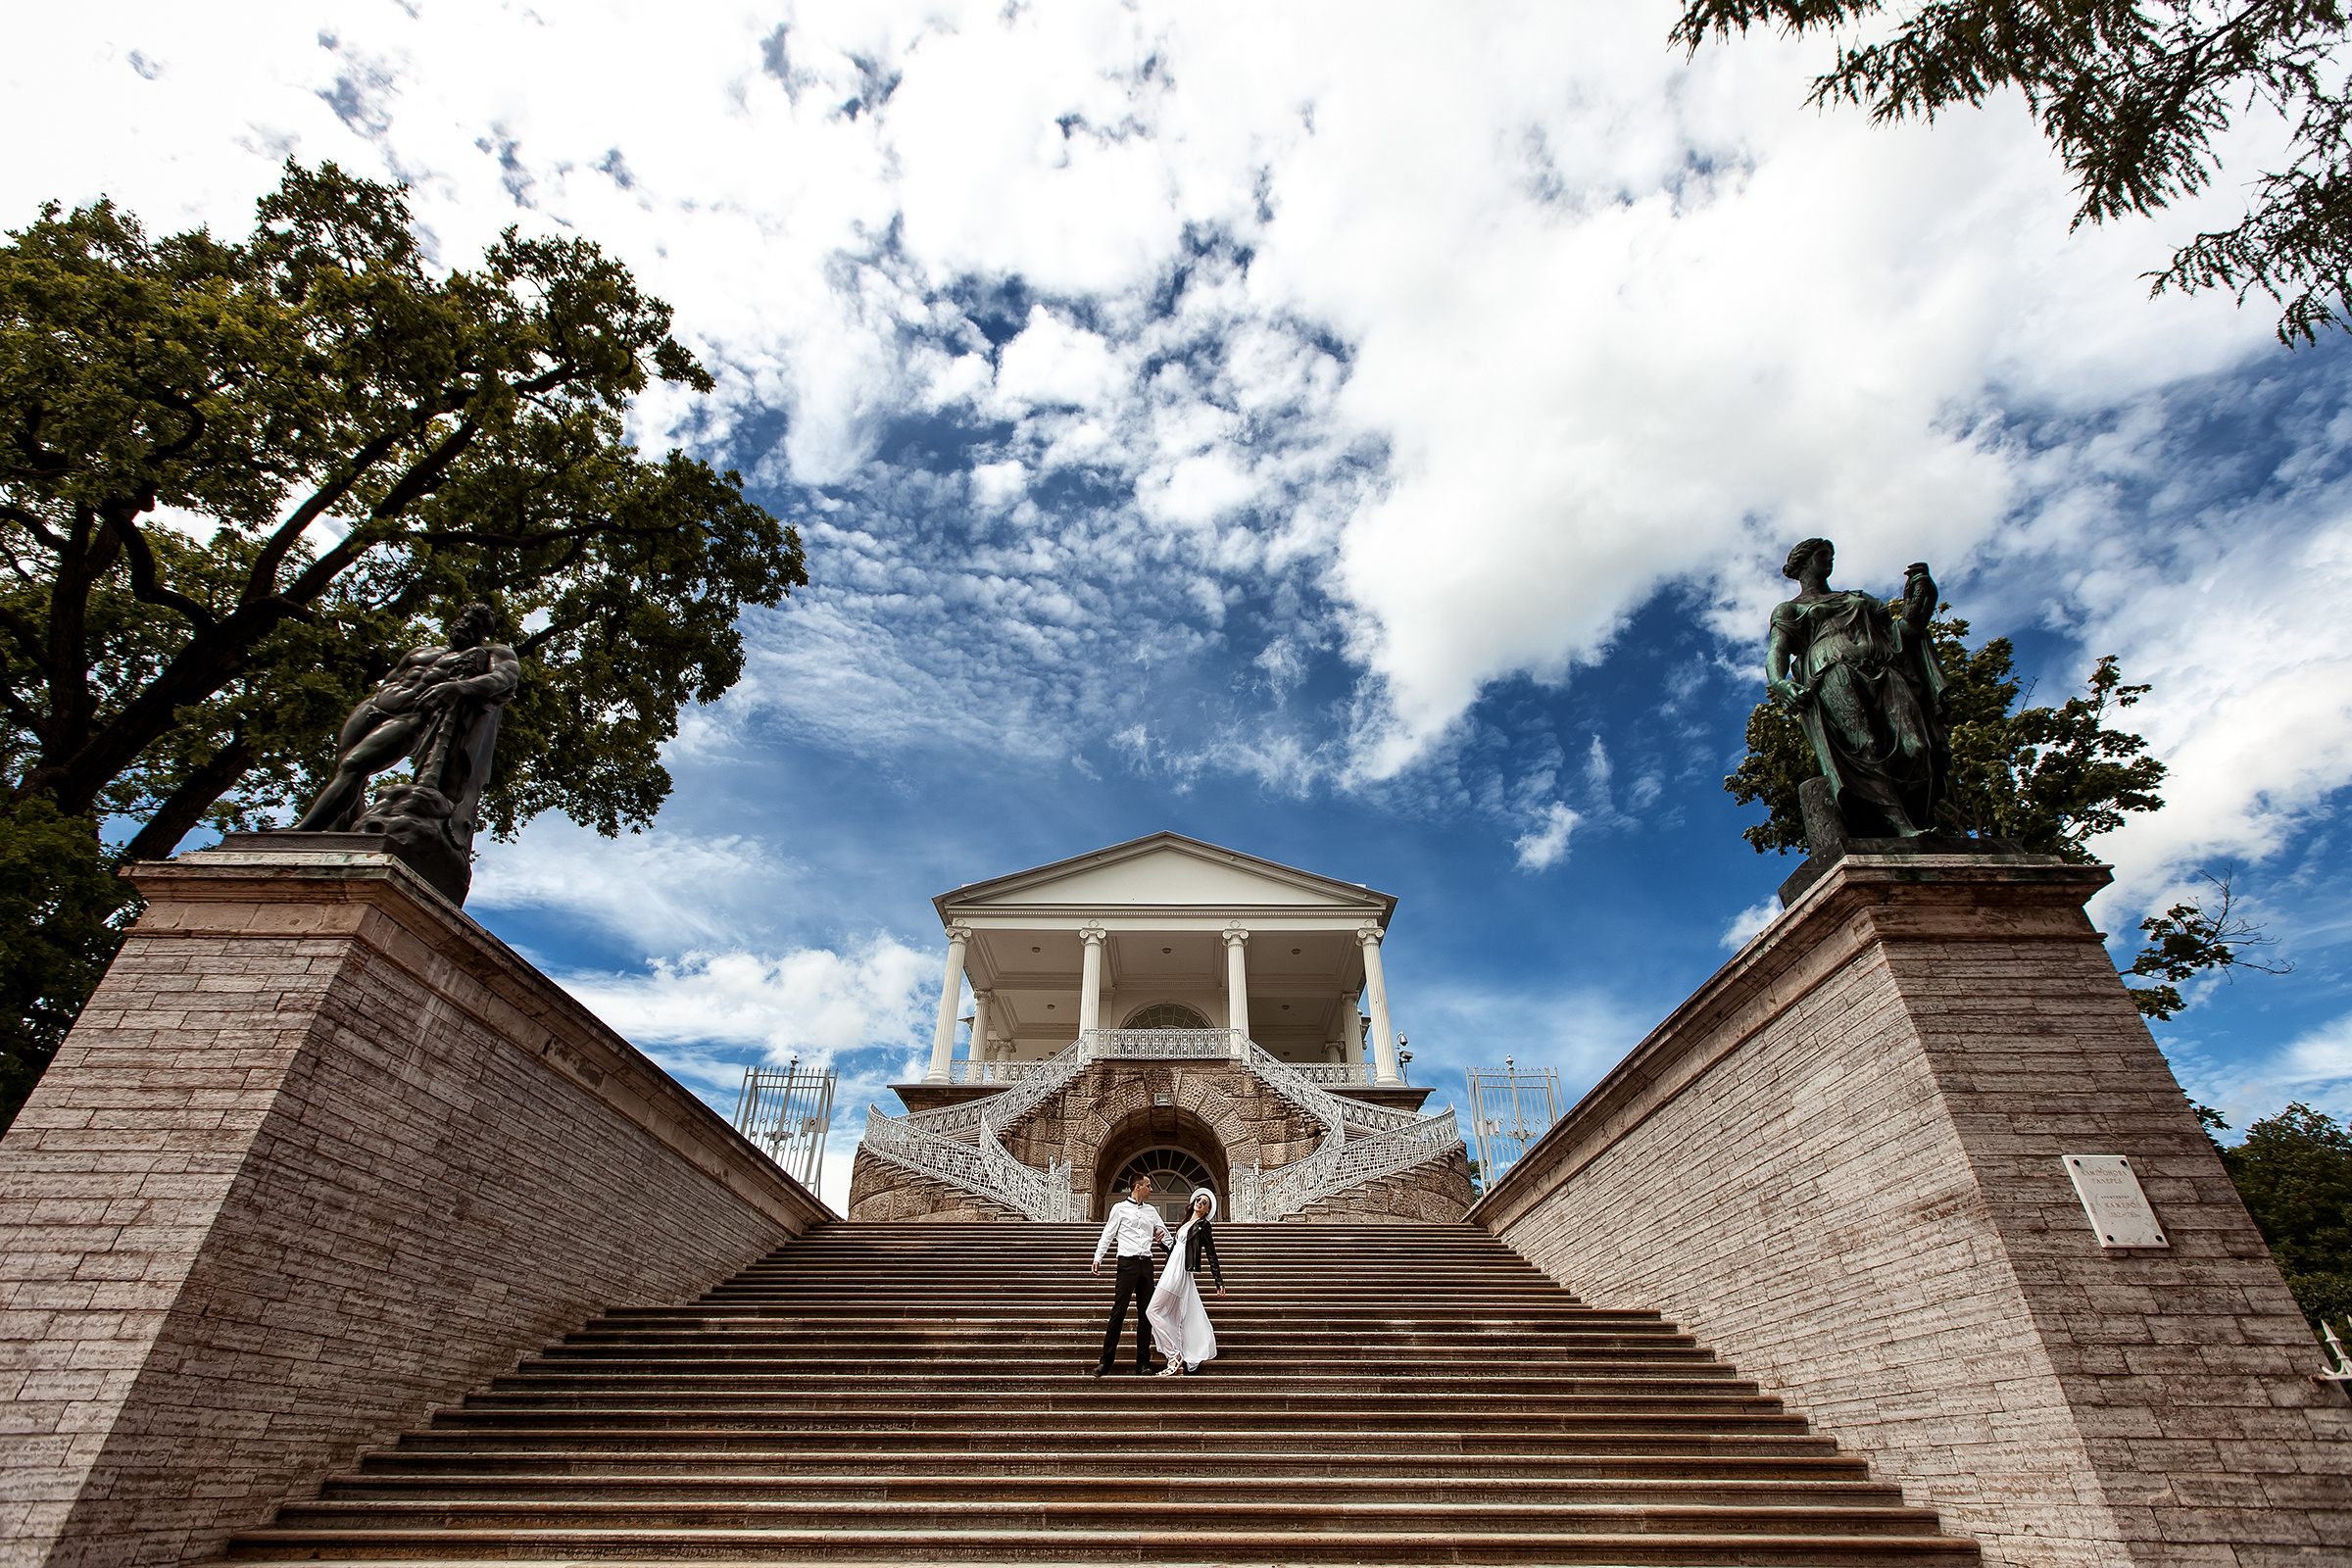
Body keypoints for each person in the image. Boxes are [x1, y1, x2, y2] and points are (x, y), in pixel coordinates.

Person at [1765, 538, 1948, 839]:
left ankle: (1916, 813)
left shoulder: (1858, 598)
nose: (1830, 560)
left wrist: (1922, 595)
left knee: (1917, 745)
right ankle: (1899, 824)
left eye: (1831, 555)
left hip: (1884, 666)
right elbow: (1777, 651)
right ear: (1805, 563)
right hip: (1831, 671)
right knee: (1865, 747)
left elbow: (1904, 630)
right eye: (1824, 555)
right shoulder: (1789, 609)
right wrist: (1780, 682)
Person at [1089, 1174, 1173, 1378]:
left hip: (1147, 1265)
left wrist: (1176, 1250)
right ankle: (1106, 1361)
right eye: (1148, 1186)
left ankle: (1143, 1362)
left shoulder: (1152, 1211)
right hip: (1127, 1264)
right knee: (1119, 1311)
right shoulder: (1119, 1209)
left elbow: (1164, 1234)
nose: (1151, 1190)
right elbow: (1108, 1234)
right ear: (1137, 1187)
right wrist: (1098, 1257)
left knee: (1146, 1314)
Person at [1146, 1187, 1225, 1377]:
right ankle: (1177, 1363)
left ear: (1208, 1211)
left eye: (1205, 1202)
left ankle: (1174, 1356)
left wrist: (1218, 1281)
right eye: (1199, 1199)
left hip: (1179, 1272)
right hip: (1171, 1268)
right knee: (1170, 1315)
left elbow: (1211, 1254)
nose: (1200, 1202)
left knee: (1152, 1310)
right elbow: (1177, 1249)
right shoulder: (1186, 1223)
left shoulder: (1203, 1226)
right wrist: (1163, 1244)